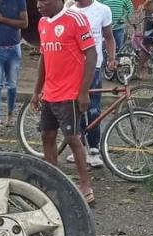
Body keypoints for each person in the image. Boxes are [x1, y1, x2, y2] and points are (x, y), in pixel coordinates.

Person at [32, 0, 97, 203]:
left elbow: (91, 53)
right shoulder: (42, 23)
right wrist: (36, 91)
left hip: (69, 93)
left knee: (72, 139)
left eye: (44, 1)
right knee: (47, 137)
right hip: (50, 93)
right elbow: (44, 58)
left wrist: (84, 91)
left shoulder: (76, 19)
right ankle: (55, 182)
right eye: (38, 1)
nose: (39, 5)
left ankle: (85, 185)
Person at [67, 0, 115, 168]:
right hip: (73, 67)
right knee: (75, 108)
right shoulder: (69, 11)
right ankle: (79, 147)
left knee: (93, 108)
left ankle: (94, 149)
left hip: (93, 66)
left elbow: (109, 37)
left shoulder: (103, 10)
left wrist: (112, 58)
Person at [0, 0, 27, 132]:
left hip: (14, 48)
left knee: (12, 85)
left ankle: (10, 116)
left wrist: (3, 19)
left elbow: (24, 23)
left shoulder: (20, 1)